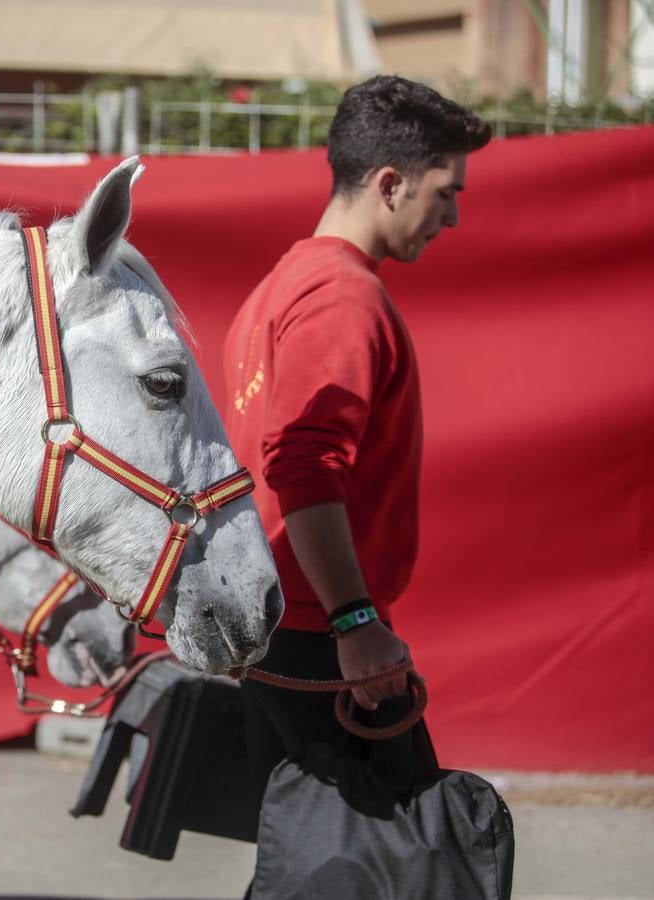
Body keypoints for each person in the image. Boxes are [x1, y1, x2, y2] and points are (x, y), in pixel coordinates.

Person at [222, 76, 492, 815]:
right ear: (391, 183)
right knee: (385, 868)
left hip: (289, 630)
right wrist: (354, 622)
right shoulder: (341, 296)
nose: (454, 216)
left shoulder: (279, 288)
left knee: (314, 865)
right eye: (445, 191)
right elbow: (302, 466)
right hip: (322, 637)